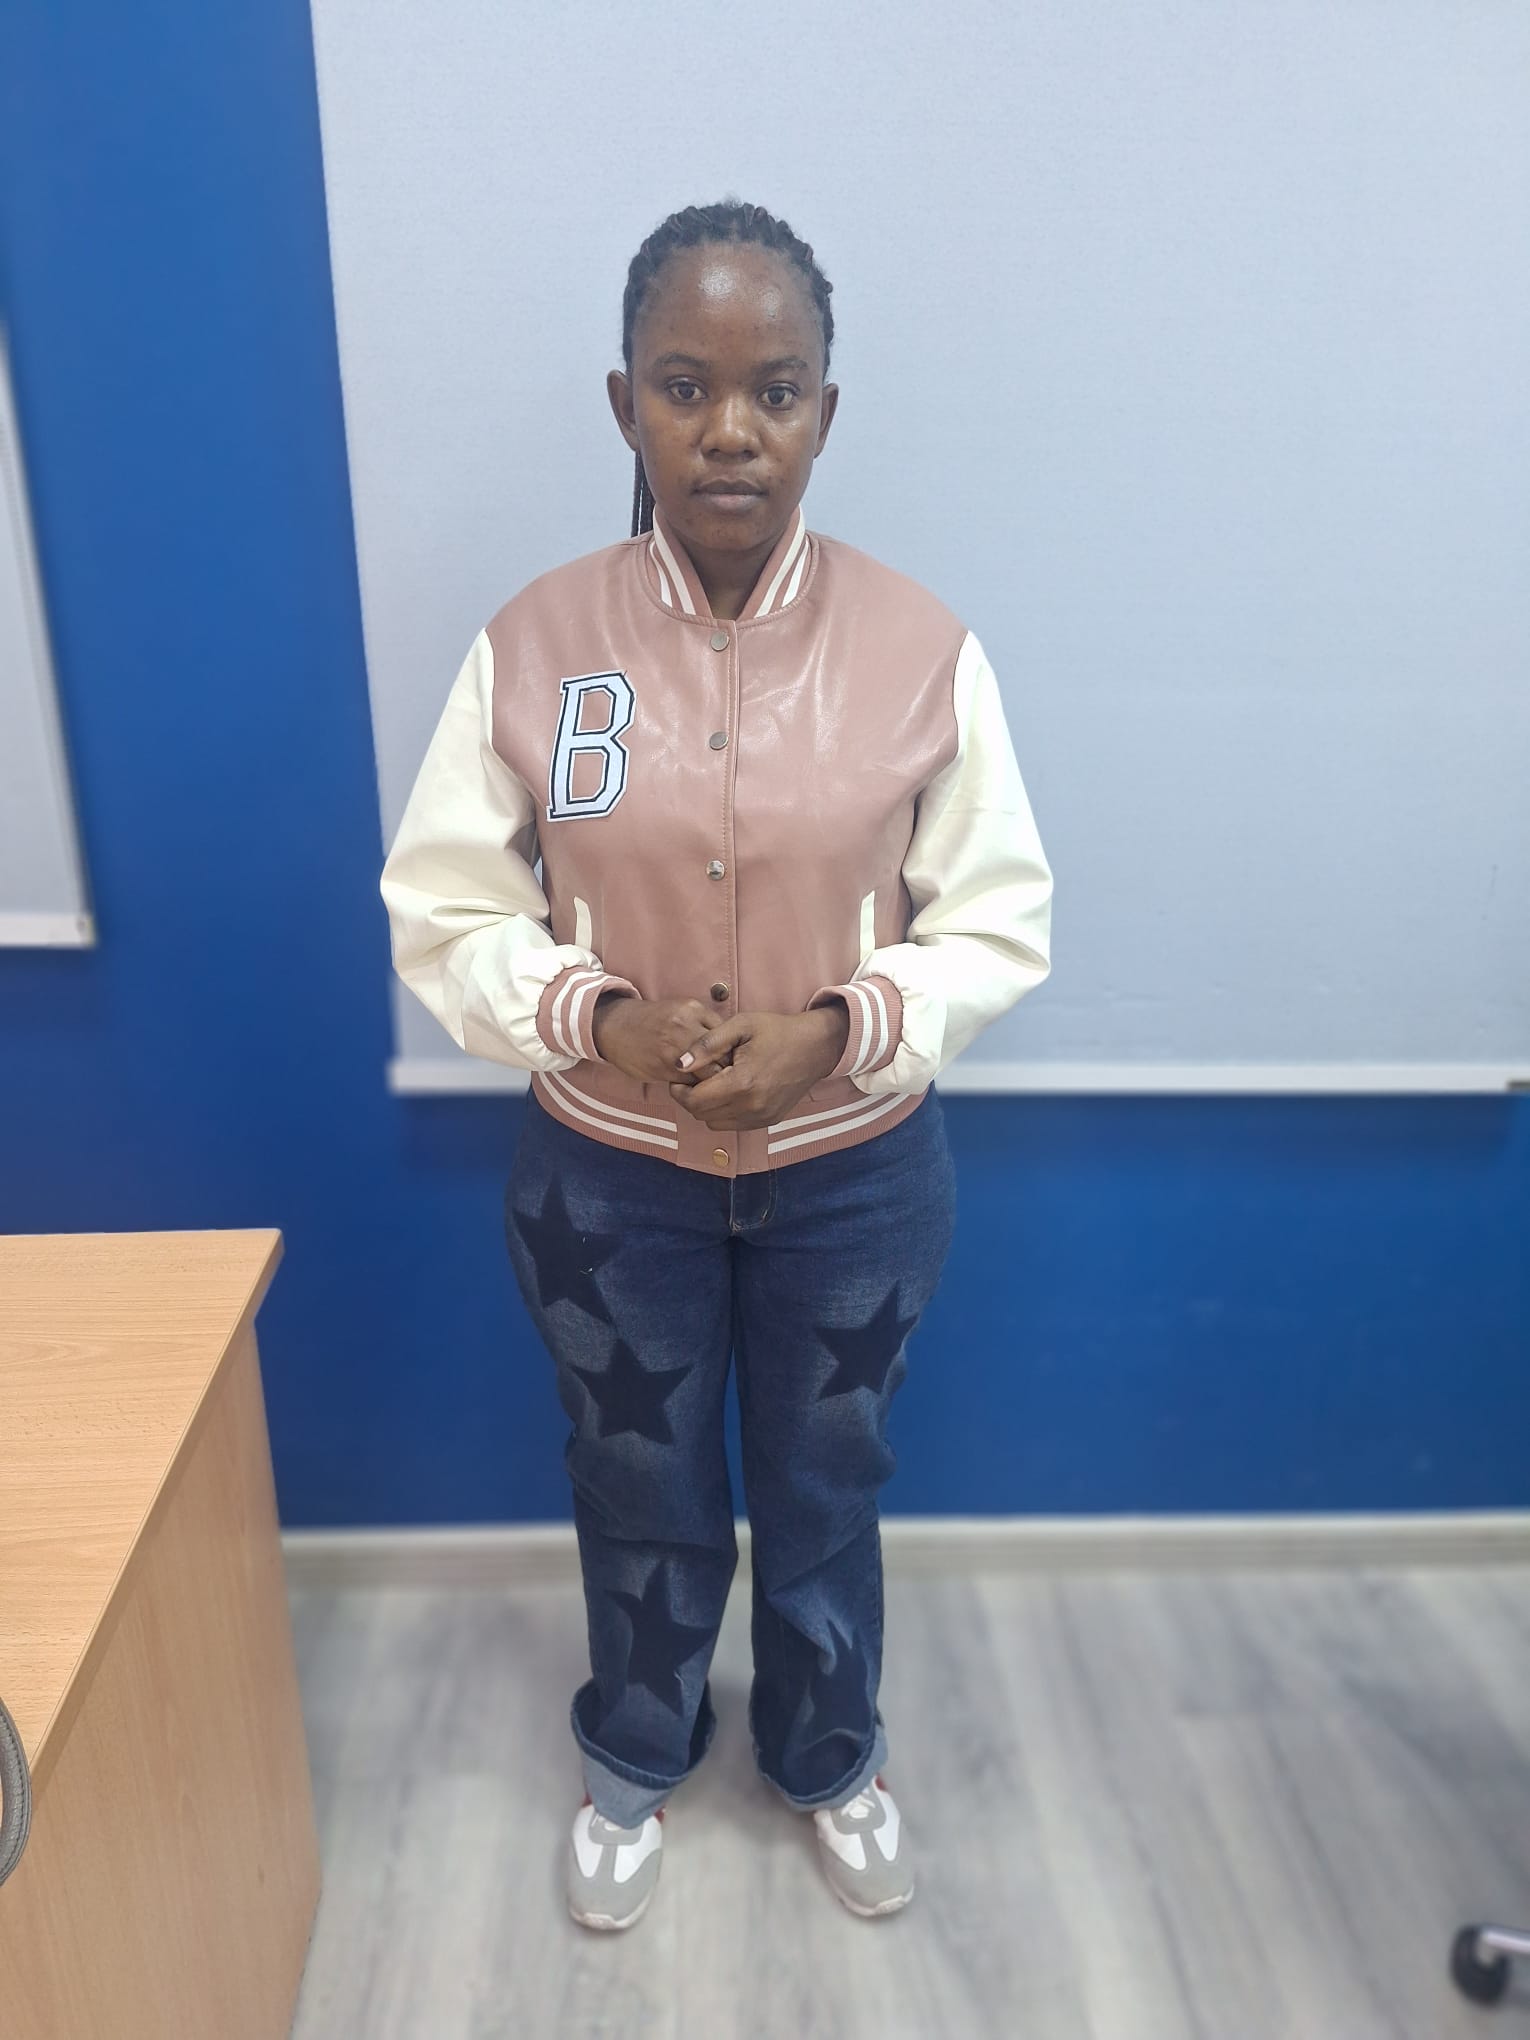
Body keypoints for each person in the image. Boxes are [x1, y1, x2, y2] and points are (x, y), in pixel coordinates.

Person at [380, 198, 1054, 1930]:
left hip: (856, 1179)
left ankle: (829, 1753)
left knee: (827, 1489)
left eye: (775, 389)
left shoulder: (922, 650)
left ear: (827, 409)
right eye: (685, 388)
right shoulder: (534, 645)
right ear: (626, 408)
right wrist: (597, 1018)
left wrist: (837, 1032)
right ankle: (636, 1747)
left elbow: (997, 919)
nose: (731, 429)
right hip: (607, 1181)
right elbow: (444, 911)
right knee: (635, 1481)